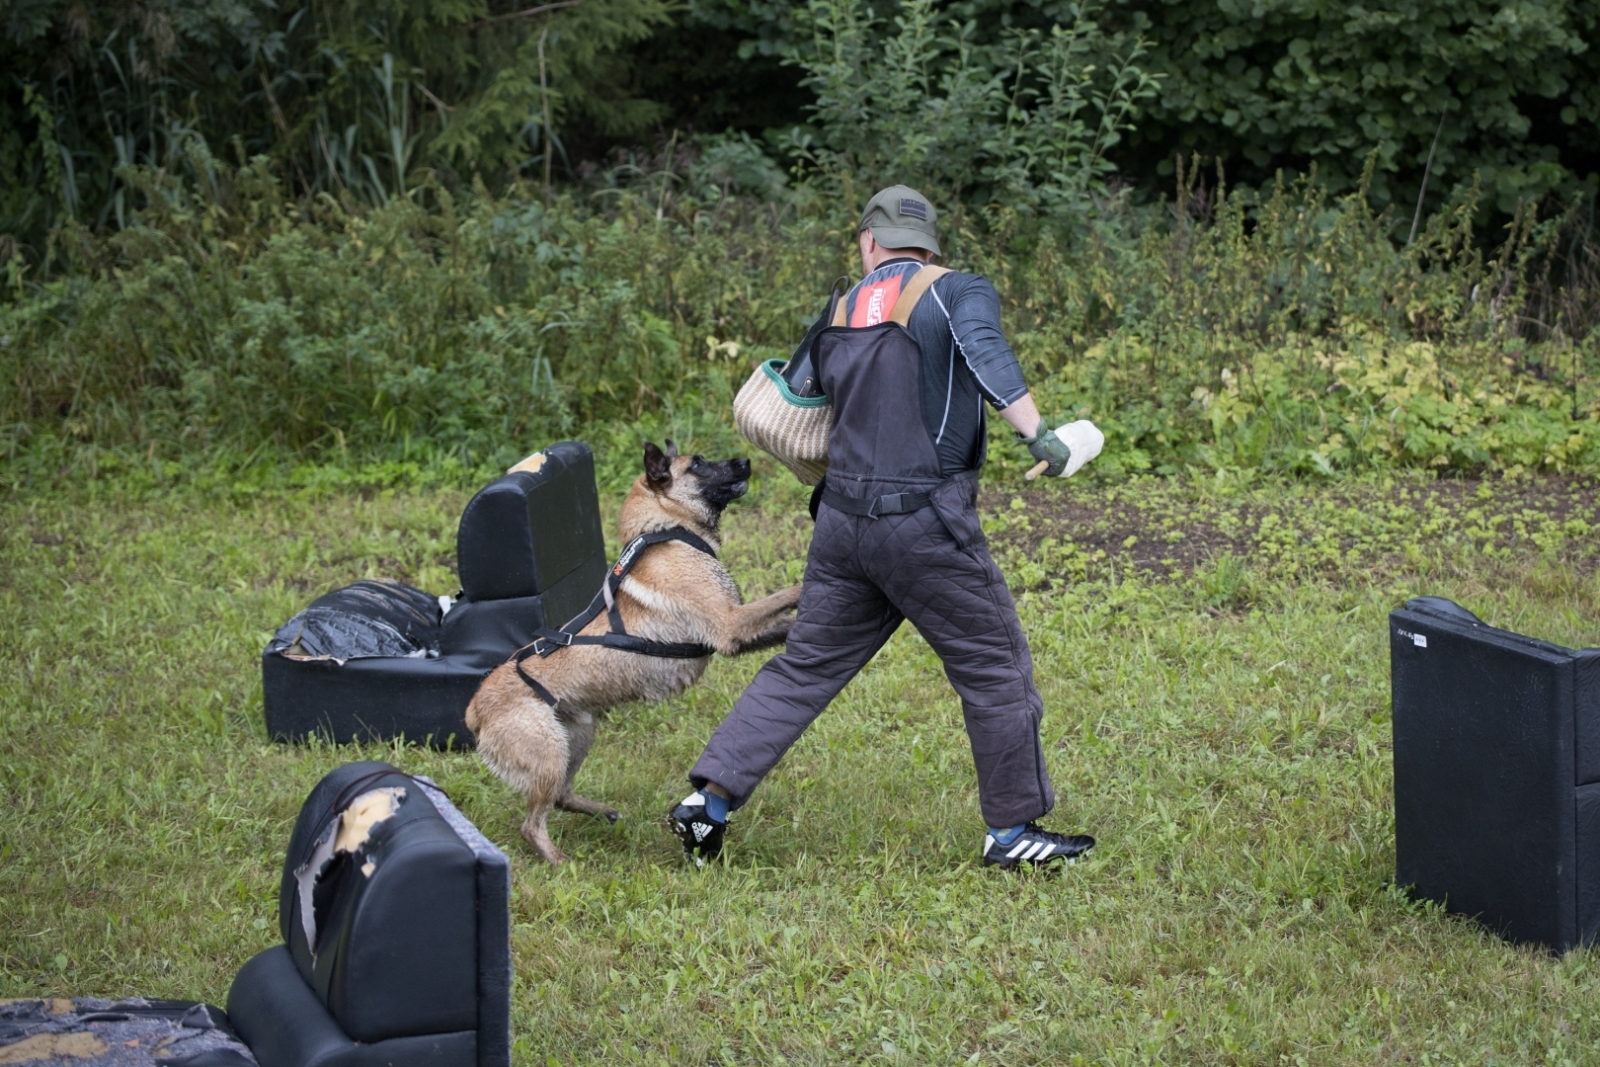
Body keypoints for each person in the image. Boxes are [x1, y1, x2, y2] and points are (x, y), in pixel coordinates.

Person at [668, 184, 1095, 869]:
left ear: (870, 242)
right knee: (995, 666)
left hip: (842, 528)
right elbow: (988, 358)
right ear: (930, 245)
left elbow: (797, 395)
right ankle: (1013, 835)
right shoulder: (956, 289)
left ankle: (706, 806)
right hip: (925, 526)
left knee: (805, 666)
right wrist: (1042, 437)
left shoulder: (840, 306)